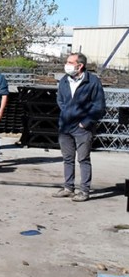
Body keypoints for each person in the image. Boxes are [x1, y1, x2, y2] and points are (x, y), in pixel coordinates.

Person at [52, 52, 106, 202]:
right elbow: (60, 99)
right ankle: (68, 188)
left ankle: (84, 191)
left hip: (82, 128)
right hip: (65, 126)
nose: (67, 65)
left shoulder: (92, 81)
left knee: (83, 159)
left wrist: (86, 122)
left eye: (70, 62)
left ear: (80, 65)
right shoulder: (64, 80)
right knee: (67, 158)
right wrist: (67, 113)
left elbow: (99, 106)